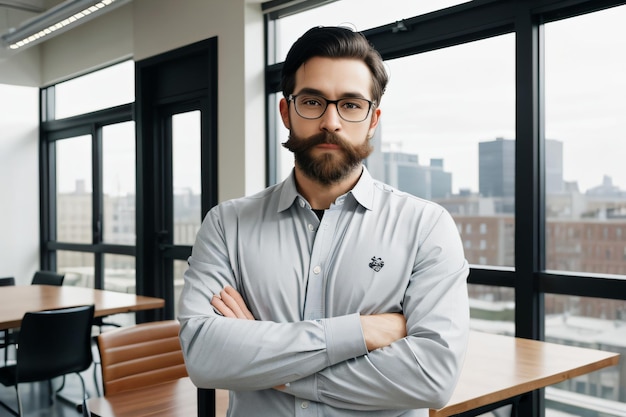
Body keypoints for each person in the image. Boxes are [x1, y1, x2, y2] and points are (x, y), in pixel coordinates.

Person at [178, 26, 469, 417]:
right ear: (286, 112)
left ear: (372, 119)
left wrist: (271, 368)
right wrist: (362, 332)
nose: (331, 122)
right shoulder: (226, 225)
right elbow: (204, 356)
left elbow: (433, 378)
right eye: (313, 101)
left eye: (350, 105)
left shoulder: (425, 226)